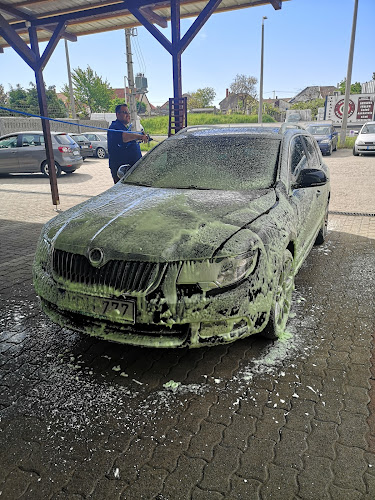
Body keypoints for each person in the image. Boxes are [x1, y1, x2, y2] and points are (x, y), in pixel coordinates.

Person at [107, 104, 148, 183]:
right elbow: (124, 137)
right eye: (125, 112)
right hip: (121, 170)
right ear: (117, 114)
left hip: (132, 168)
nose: (128, 115)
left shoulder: (125, 128)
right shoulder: (114, 127)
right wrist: (139, 137)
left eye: (128, 113)